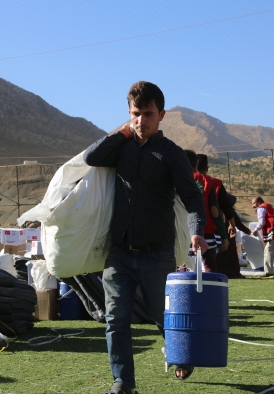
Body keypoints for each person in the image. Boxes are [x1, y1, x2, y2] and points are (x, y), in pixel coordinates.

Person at [83, 81, 207, 393]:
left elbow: (192, 198)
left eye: (148, 114)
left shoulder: (172, 154)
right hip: (120, 251)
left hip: (157, 253)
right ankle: (123, 383)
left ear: (161, 114)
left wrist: (196, 233)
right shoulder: (121, 149)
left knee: (162, 315)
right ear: (129, 113)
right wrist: (122, 133)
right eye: (136, 114)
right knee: (116, 319)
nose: (142, 121)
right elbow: (91, 157)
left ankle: (181, 354)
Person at [186, 150, 221, 272]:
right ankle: (209, 290)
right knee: (209, 265)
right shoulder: (211, 182)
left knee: (182, 266)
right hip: (207, 230)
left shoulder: (173, 179)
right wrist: (223, 235)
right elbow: (215, 210)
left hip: (183, 231)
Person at [196, 154, 235, 250]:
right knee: (210, 262)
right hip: (211, 230)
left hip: (188, 232)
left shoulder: (184, 180)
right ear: (207, 168)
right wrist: (232, 225)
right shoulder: (215, 183)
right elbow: (225, 206)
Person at [251, 196, 274, 277]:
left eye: (254, 203)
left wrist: (255, 230)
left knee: (268, 251)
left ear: (259, 202)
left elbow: (261, 222)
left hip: (272, 232)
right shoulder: (269, 207)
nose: (253, 206)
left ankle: (268, 271)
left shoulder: (261, 208)